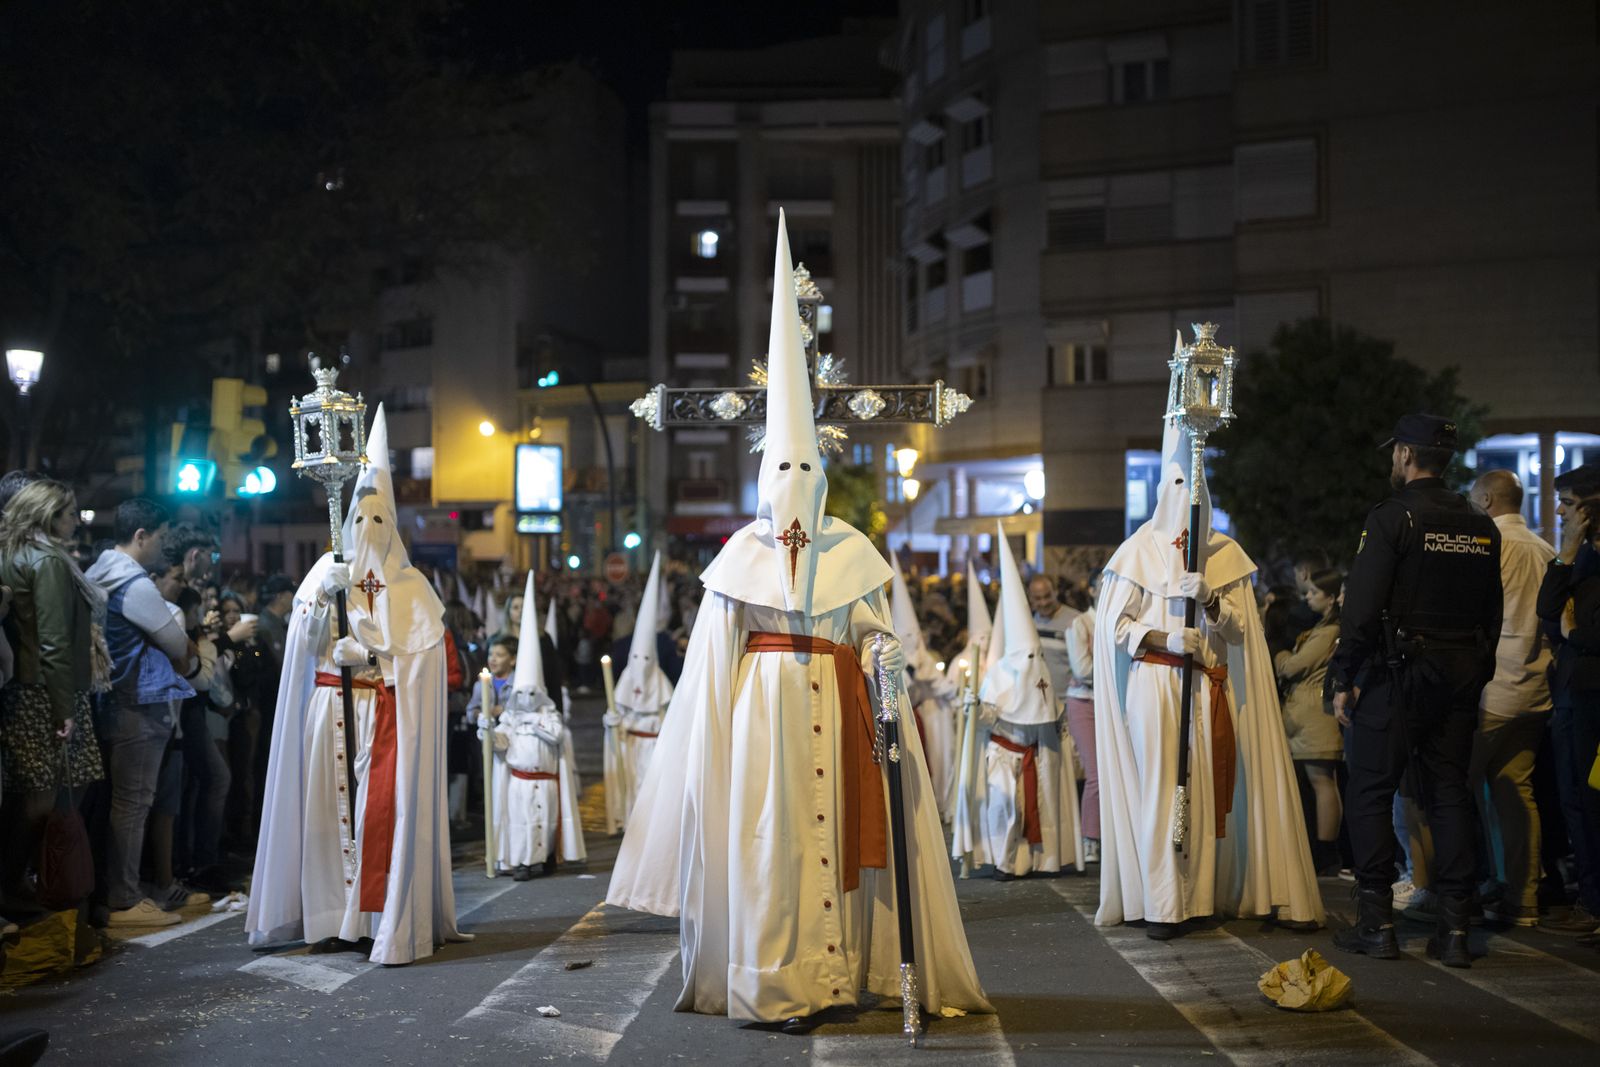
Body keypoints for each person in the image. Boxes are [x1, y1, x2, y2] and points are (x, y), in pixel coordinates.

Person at [607, 215, 990, 1032]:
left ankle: (841, 972)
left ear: (823, 473)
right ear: (759, 471)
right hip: (761, 721)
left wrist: (882, 655)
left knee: (839, 840)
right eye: (780, 466)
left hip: (839, 707)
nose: (792, 486)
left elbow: (876, 628)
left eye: (804, 467)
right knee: (767, 845)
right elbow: (713, 665)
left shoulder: (854, 548)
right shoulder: (737, 556)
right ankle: (775, 984)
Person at [247, 406, 466, 965]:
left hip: (383, 716)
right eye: (360, 520)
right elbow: (297, 642)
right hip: (330, 709)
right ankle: (329, 916)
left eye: (379, 521)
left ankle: (374, 916)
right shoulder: (327, 568)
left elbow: (424, 662)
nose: (368, 532)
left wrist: (370, 654)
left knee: (377, 814)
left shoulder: (413, 586)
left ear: (392, 526)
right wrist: (323, 599)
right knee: (327, 813)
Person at [1095, 416, 1322, 940]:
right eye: (1175, 485)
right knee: (1159, 789)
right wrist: (1160, 637)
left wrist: (1211, 600)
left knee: (1199, 788)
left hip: (1204, 687)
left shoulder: (1222, 554)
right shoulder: (1136, 551)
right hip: (1155, 683)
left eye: (1191, 487)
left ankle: (1196, 899)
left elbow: (1243, 633)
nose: (1183, 498)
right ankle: (1161, 903)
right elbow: (1113, 625)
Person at [1329, 414, 1502, 968]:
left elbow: (1361, 606)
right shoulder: (1481, 525)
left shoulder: (1393, 517)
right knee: (1449, 793)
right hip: (1459, 675)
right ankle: (1455, 931)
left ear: (1405, 455)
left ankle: (1377, 923)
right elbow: (1493, 612)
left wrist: (1343, 675)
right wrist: (1477, 670)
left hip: (1397, 674)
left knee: (1371, 792)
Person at [86, 497, 198, 928]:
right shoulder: (133, 585)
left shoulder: (97, 572)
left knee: (117, 802)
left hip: (110, 698)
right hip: (137, 701)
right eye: (162, 537)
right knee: (133, 803)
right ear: (140, 536)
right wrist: (180, 645)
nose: (163, 546)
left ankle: (115, 892)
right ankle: (124, 898)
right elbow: (175, 646)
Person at [0, 480, 106, 915]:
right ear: (47, 515)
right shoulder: (46, 561)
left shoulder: (15, 554)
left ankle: (24, 882)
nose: (76, 521)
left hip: (28, 688)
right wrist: (65, 709)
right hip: (47, 692)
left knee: (35, 794)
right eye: (69, 513)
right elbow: (54, 641)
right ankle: (18, 884)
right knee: (46, 797)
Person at [1463, 470, 1556, 927]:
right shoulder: (1546, 550)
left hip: (1492, 689)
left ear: (1486, 499)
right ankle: (1524, 899)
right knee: (1516, 791)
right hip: (1537, 690)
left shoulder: (1488, 546)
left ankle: (1453, 892)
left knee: (1454, 790)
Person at [971, 524, 1081, 880]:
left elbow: (1051, 709)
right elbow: (988, 714)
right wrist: (977, 707)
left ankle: (1041, 860)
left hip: (1038, 751)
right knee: (1006, 810)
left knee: (1042, 808)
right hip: (1006, 754)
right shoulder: (1001, 673)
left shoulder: (1044, 666)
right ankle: (1005, 862)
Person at [482, 574, 584, 880]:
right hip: (519, 780)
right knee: (520, 821)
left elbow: (555, 734)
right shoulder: (511, 717)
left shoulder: (546, 713)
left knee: (545, 820)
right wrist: (487, 728)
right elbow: (500, 742)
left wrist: (535, 719)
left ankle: (543, 858)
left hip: (545, 778)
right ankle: (522, 860)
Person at [1536, 463, 1600, 935]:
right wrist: (1568, 552)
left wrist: (1575, 633)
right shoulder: (1579, 555)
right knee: (1574, 797)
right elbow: (1546, 610)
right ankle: (1592, 900)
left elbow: (1581, 630)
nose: (1559, 510)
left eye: (1569, 502)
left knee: (1594, 797)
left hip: (1593, 693)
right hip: (1572, 692)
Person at [1274, 568, 1344, 876]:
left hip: (1316, 717)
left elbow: (1292, 666)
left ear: (1330, 600)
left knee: (1322, 782)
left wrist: (1279, 654)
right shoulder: (1323, 629)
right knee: (1319, 783)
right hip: (1310, 718)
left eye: (1314, 593)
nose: (1307, 597)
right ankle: (1321, 850)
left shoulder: (1328, 632)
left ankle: (1326, 853)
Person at [604, 552, 674, 833]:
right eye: (637, 660)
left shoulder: (661, 685)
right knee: (633, 787)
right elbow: (616, 713)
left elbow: (671, 717)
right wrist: (611, 722)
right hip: (631, 747)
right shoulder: (624, 681)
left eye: (646, 661)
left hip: (654, 748)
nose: (640, 667)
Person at [889, 550, 959, 822]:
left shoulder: (925, 658)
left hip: (924, 719)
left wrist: (958, 694)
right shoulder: (891, 658)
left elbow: (940, 685)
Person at [1064, 571, 1101, 861]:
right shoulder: (1081, 623)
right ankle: (1091, 837)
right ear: (1091, 589)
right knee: (1096, 774)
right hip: (1085, 703)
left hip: (1113, 703)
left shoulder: (1120, 620)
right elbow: (1082, 670)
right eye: (1103, 583)